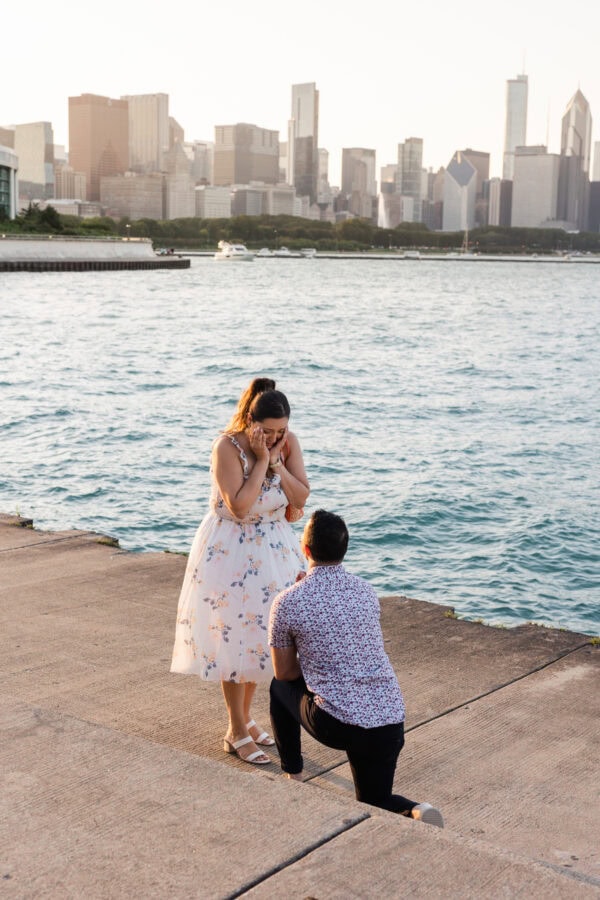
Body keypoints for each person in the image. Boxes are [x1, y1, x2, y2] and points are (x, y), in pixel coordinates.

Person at [268, 509, 444, 826]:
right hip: (389, 722)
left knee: (278, 688)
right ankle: (417, 809)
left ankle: (293, 775)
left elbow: (285, 674)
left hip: (338, 723)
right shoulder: (366, 591)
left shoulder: (288, 601)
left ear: (304, 550)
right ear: (344, 550)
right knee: (376, 800)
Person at [171, 377, 310, 765]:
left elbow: (301, 495)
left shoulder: (289, 442)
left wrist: (279, 464)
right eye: (267, 431)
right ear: (251, 421)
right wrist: (262, 461)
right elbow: (240, 507)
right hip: (231, 549)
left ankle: (246, 719)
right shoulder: (227, 448)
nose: (275, 437)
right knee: (233, 642)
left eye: (280, 430)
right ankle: (234, 730)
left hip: (273, 549)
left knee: (259, 639)